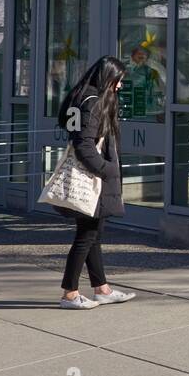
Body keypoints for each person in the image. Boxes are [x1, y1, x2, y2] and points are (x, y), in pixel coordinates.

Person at [57, 56, 137, 310]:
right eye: (117, 80)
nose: (119, 86)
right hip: (94, 177)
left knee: (93, 234)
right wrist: (108, 169)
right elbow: (84, 144)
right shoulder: (92, 103)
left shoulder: (81, 97)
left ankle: (101, 288)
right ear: (108, 77)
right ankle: (69, 293)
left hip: (94, 176)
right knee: (87, 235)